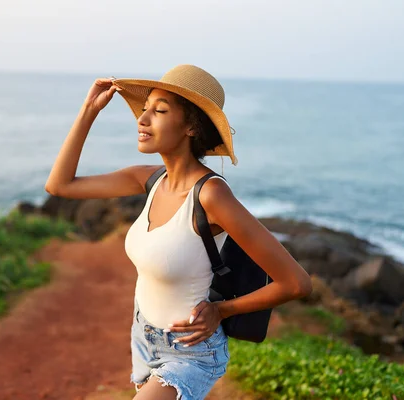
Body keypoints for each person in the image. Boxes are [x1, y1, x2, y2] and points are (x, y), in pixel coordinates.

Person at [45, 64, 312, 400]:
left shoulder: (211, 195)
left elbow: (297, 283)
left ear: (190, 126)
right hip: (143, 335)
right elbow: (59, 185)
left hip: (190, 350)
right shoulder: (150, 179)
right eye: (144, 110)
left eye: (159, 111)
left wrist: (222, 310)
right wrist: (88, 111)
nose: (142, 120)